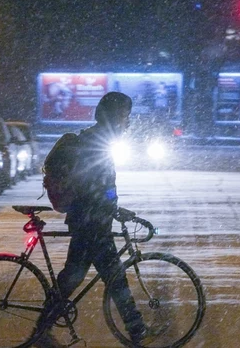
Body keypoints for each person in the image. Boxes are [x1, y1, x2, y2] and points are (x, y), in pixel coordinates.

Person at [34, 92, 147, 345]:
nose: (127, 122)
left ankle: (42, 329)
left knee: (75, 276)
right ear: (114, 117)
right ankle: (137, 329)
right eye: (124, 116)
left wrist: (113, 206)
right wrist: (113, 206)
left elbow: (102, 185)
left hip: (90, 219)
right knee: (112, 278)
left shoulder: (96, 139)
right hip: (91, 222)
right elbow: (99, 184)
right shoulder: (97, 142)